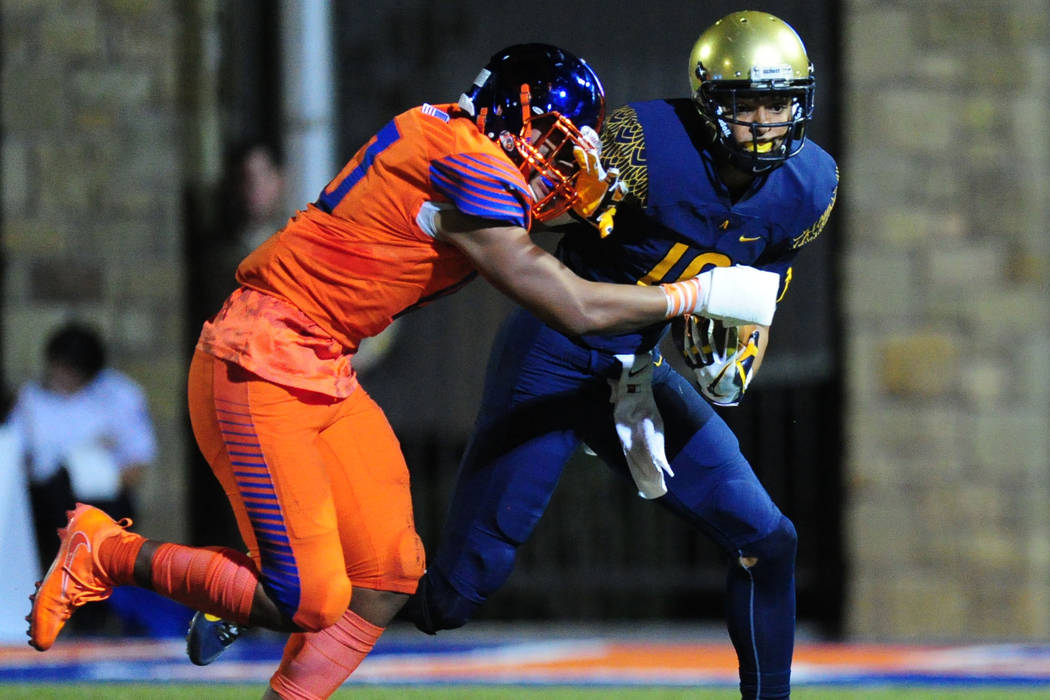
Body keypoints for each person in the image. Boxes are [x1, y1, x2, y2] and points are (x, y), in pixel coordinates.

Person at [27, 43, 779, 700]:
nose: (560, 161)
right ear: (508, 118)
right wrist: (693, 293)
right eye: (552, 140)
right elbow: (570, 305)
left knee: (388, 577)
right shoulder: (464, 160)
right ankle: (103, 550)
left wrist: (599, 208)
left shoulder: (463, 146)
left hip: (322, 365)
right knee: (309, 596)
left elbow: (534, 220)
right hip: (258, 359)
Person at [404, 13, 839, 700]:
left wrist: (736, 350)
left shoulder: (809, 185)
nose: (764, 121)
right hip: (553, 358)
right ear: (708, 103)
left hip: (636, 370)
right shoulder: (642, 142)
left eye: (779, 101)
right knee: (451, 598)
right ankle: (268, 596)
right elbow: (519, 214)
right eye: (746, 103)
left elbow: (757, 292)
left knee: (768, 541)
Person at [8, 321, 191, 637]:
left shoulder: (120, 396)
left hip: (101, 503)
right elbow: (18, 457)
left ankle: (99, 618)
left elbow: (137, 461)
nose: (61, 379)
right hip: (46, 506)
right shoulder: (31, 399)